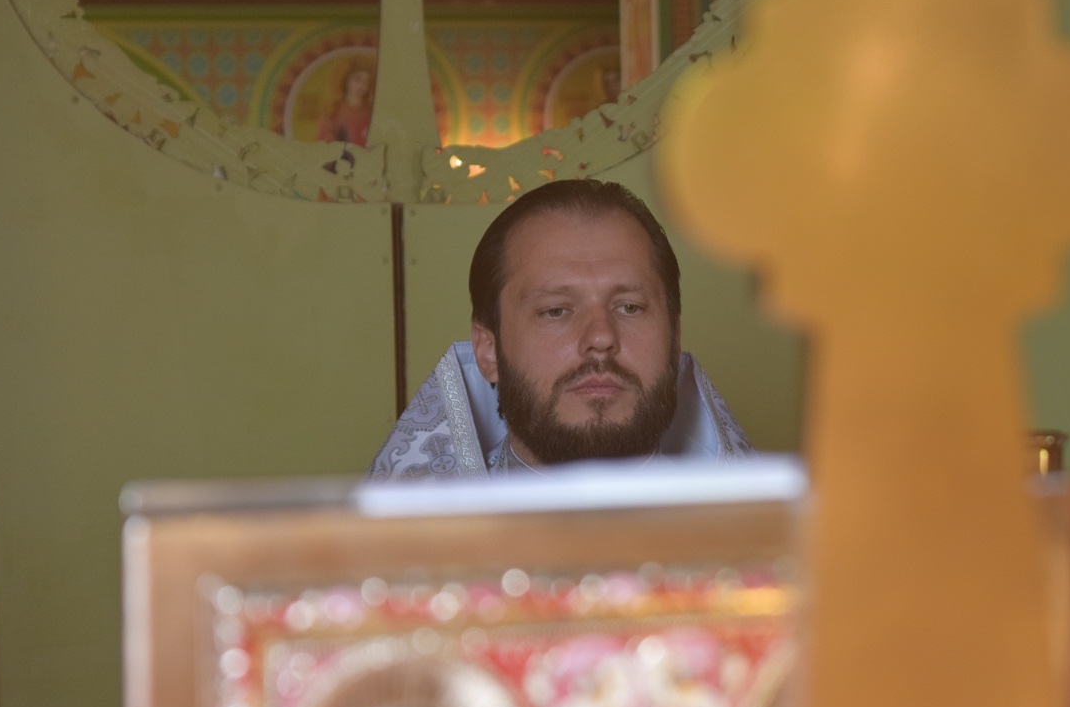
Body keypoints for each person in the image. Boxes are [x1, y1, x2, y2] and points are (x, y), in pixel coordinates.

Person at [369, 179, 752, 479]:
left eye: (630, 307)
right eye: (555, 311)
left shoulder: (764, 538)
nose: (601, 337)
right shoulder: (403, 546)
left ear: (675, 336)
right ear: (488, 350)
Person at [316, 60, 373, 147]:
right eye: (357, 79)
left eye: (366, 82)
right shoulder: (333, 111)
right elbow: (322, 142)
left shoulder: (372, 112)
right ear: (346, 80)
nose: (361, 85)